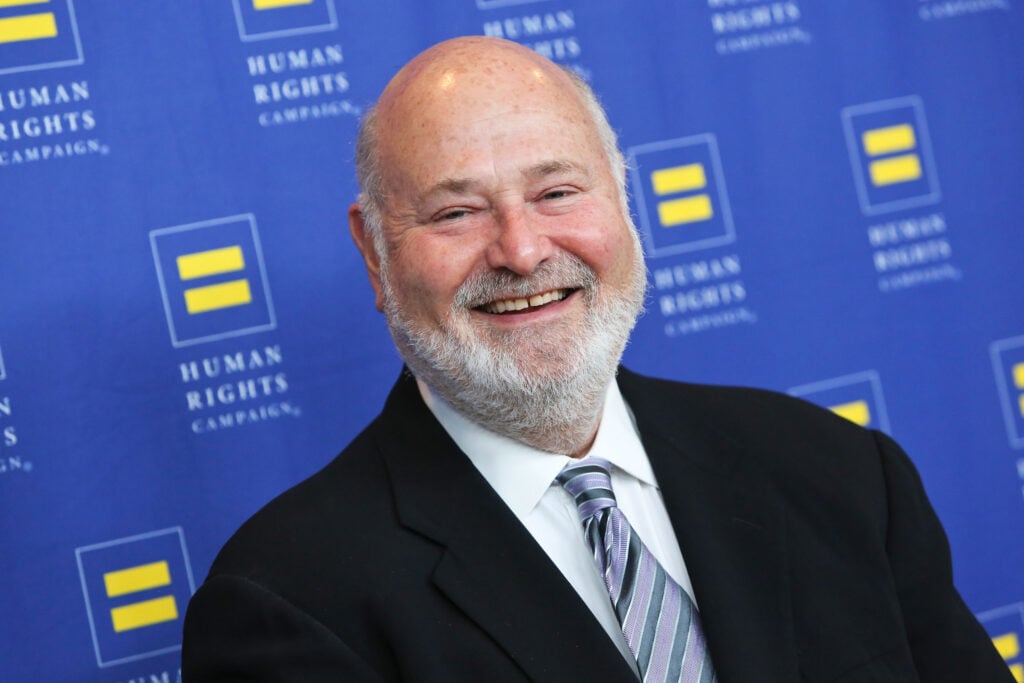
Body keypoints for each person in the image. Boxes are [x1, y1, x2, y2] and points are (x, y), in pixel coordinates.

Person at [182, 36, 1012, 682]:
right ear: (374, 254)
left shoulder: (841, 474)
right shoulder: (288, 602)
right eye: (457, 211)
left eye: (557, 192)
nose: (521, 249)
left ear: (622, 199)